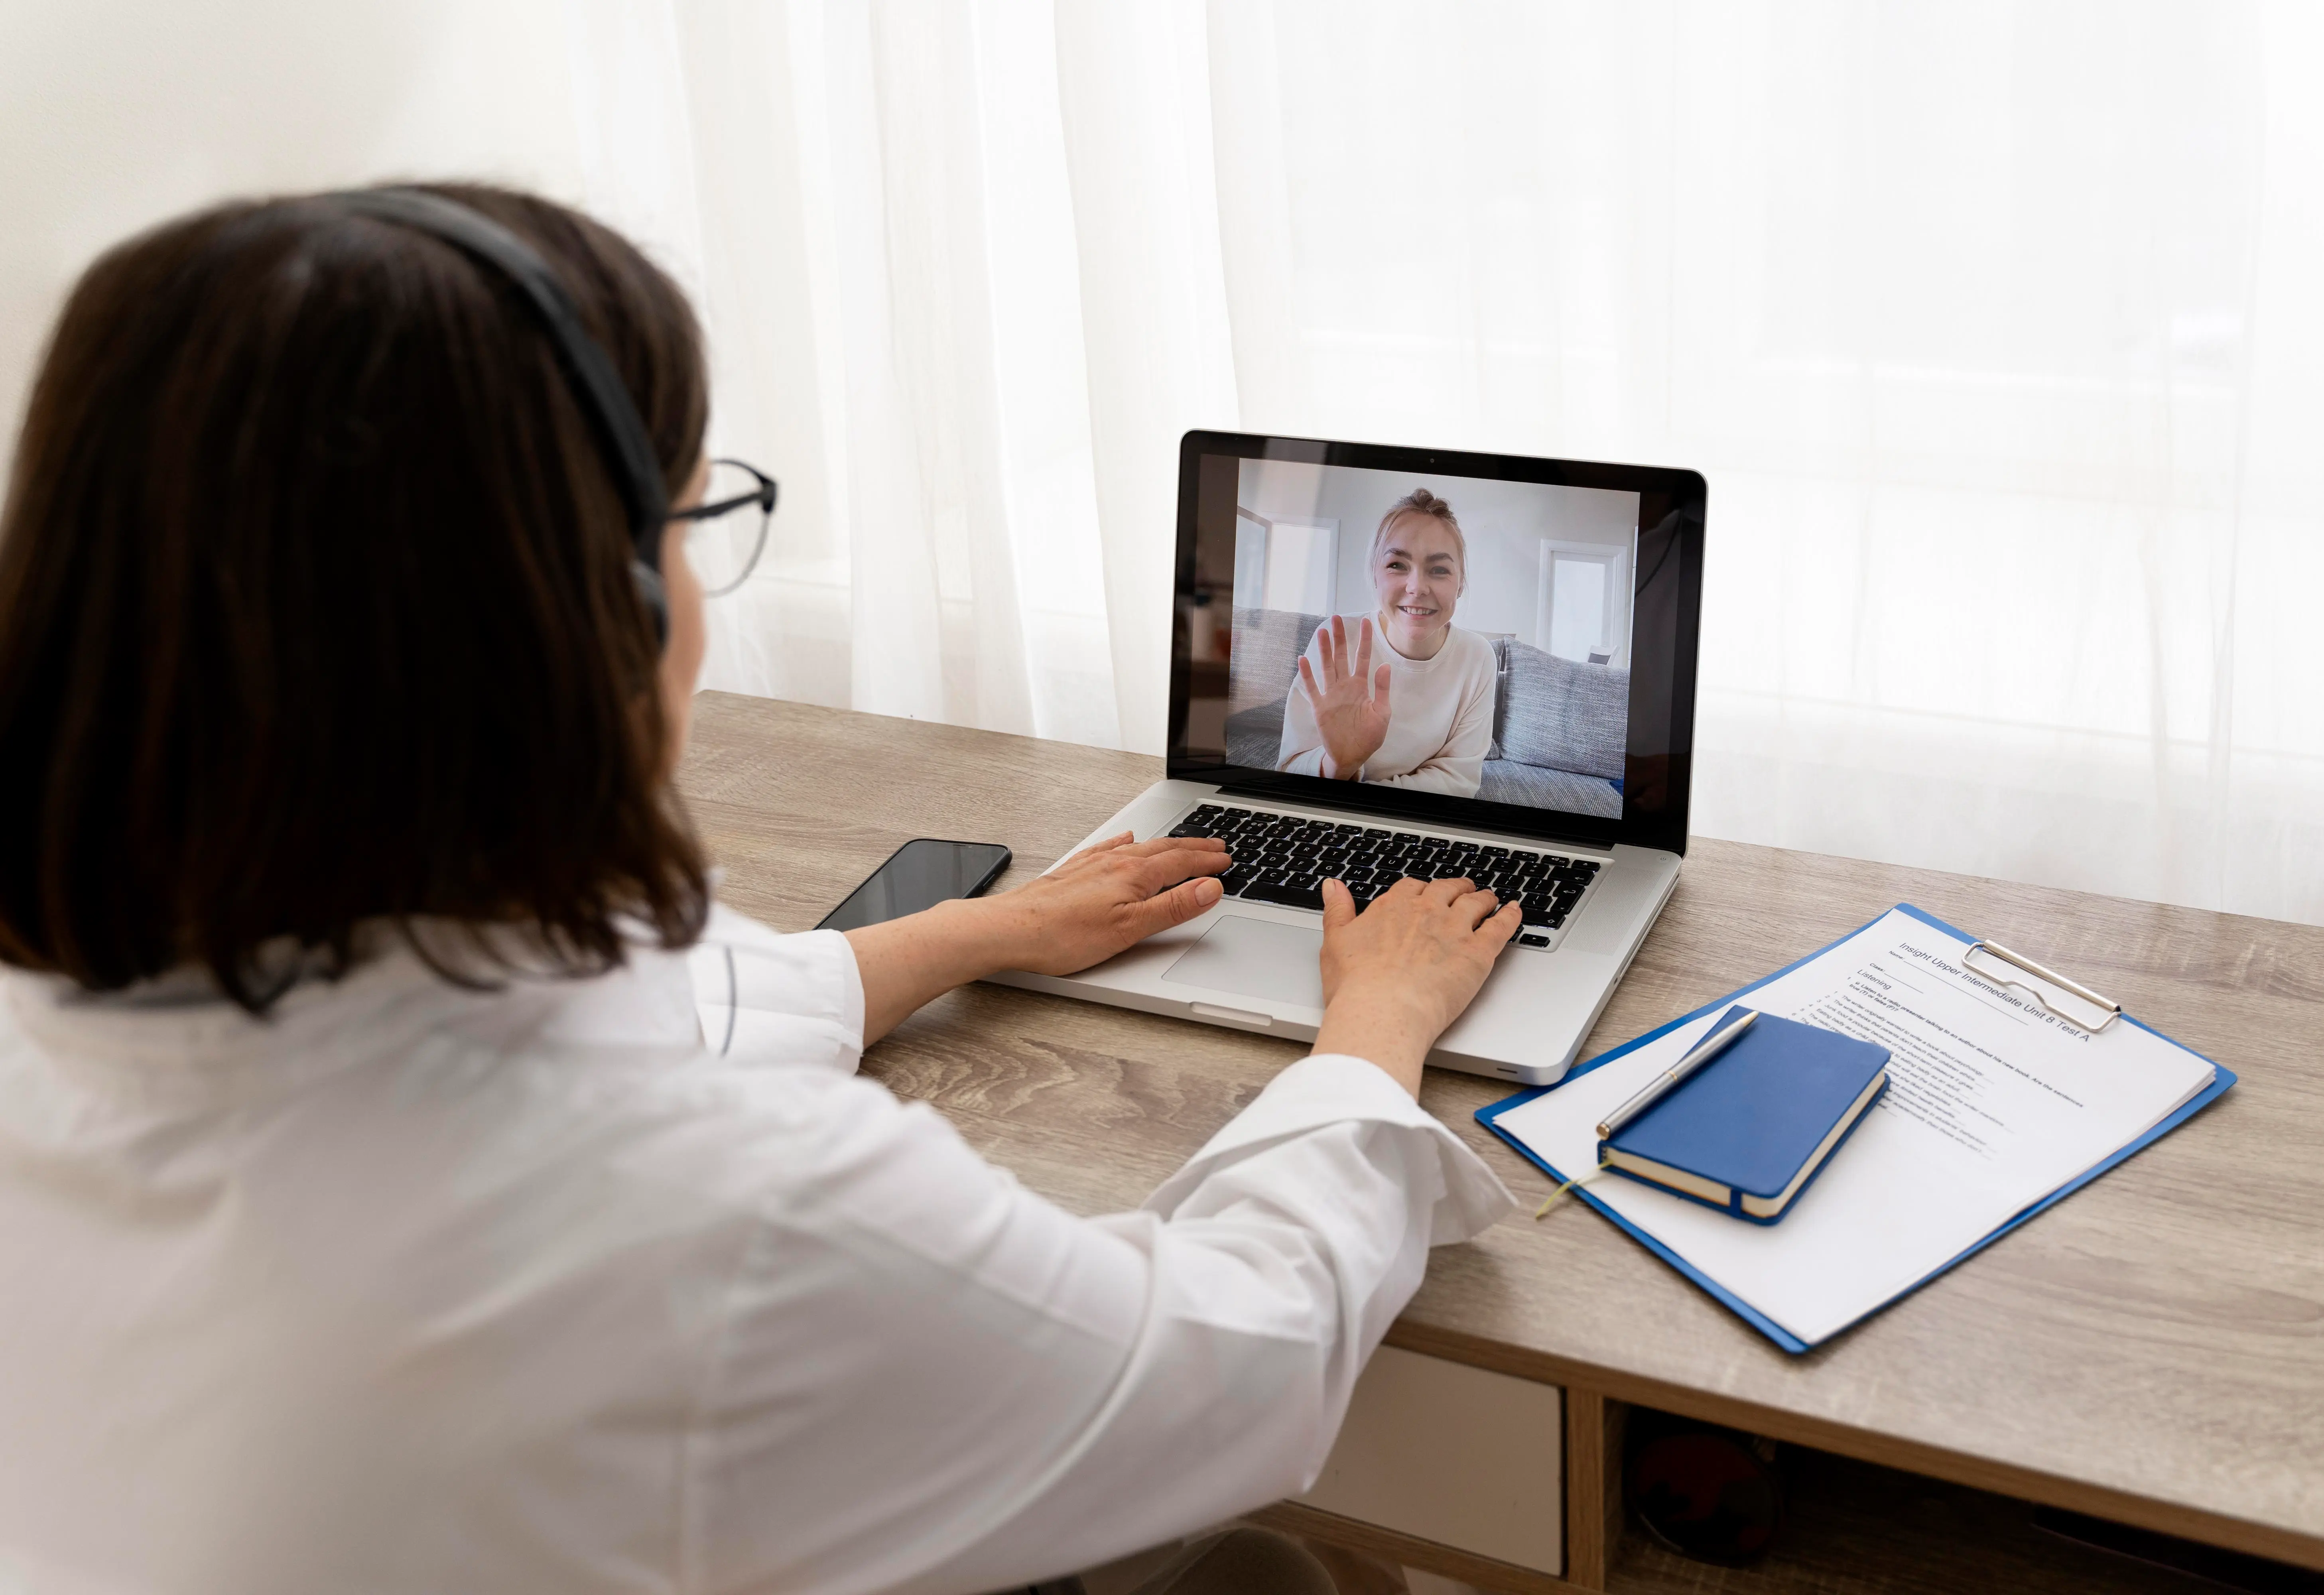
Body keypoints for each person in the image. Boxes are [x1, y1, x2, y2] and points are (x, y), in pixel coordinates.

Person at [0, 185, 1524, 1594]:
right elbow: (1247, 1363)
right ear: (602, 609)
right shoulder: (734, 1212)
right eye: (689, 518)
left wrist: (960, 934)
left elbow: (626, 1018)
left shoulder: (118, 1009)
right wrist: (1377, 1024)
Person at [1275, 489, 1497, 797]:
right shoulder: (1337, 638)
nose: (1417, 587)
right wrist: (1337, 764)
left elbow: (1458, 781)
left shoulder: (1478, 657)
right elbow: (1289, 768)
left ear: (1460, 584)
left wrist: (1361, 794)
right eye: (1397, 565)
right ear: (1375, 575)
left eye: (1439, 570)